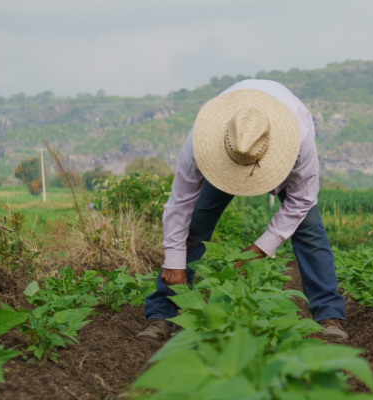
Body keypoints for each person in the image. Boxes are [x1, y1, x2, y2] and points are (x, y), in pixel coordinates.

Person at [135, 79, 348, 342]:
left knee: (309, 229)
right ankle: (162, 315)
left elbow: (302, 200)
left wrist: (261, 248)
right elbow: (180, 203)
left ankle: (328, 314)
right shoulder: (202, 141)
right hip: (225, 161)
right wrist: (174, 262)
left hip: (280, 159)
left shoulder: (299, 139)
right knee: (195, 226)